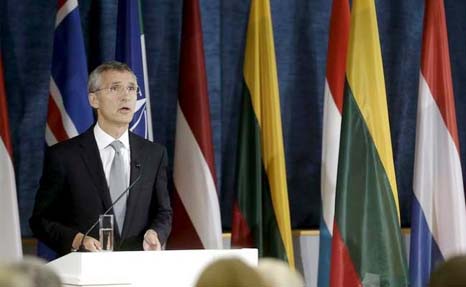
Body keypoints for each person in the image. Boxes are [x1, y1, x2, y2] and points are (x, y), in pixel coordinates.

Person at [30, 61, 172, 256]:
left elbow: (163, 212)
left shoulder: (154, 154)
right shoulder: (64, 156)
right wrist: (78, 239)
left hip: (137, 270)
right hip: (85, 271)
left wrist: (155, 233)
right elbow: (40, 220)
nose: (126, 96)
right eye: (115, 88)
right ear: (93, 100)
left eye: (131, 88)